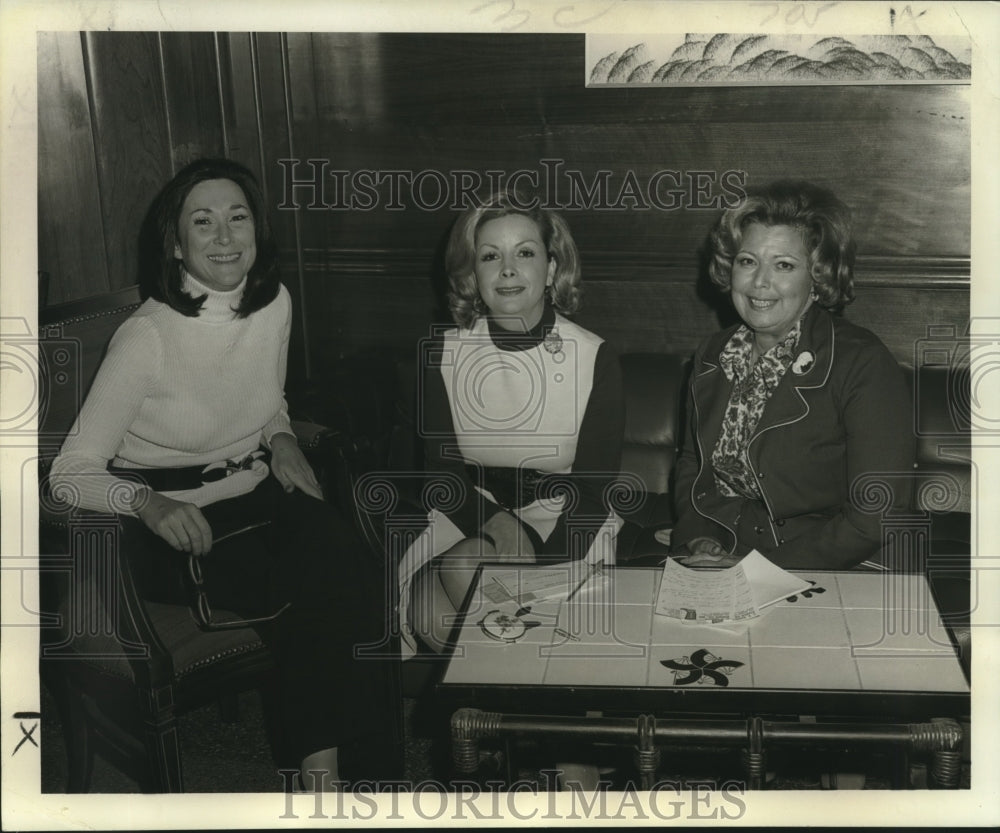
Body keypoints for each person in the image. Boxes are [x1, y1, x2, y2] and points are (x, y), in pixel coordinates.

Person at [49, 158, 388, 789]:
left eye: (238, 218)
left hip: (255, 493)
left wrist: (280, 434)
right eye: (203, 223)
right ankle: (324, 790)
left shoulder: (274, 304)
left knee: (356, 566)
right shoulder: (146, 337)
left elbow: (263, 396)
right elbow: (68, 472)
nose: (225, 236)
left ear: (257, 232)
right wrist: (147, 503)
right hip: (170, 529)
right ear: (176, 244)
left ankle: (366, 783)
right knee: (309, 588)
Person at [399, 193, 625, 654]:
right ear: (470, 273)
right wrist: (499, 524)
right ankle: (530, 696)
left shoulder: (594, 356)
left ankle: (521, 697)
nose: (507, 269)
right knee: (429, 614)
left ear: (553, 267)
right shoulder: (441, 353)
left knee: (463, 576)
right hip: (469, 509)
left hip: (564, 520)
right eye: (489, 256)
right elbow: (441, 474)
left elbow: (594, 490)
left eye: (525, 252)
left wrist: (541, 565)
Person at [670, 180, 913, 570]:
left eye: (784, 265)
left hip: (834, 563)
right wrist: (702, 536)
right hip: (730, 552)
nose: (759, 282)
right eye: (748, 261)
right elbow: (691, 464)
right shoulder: (713, 353)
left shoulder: (863, 362)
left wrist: (758, 571)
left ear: (817, 278)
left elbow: (874, 517)